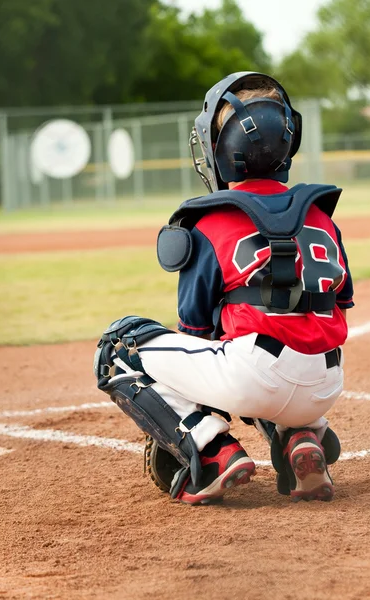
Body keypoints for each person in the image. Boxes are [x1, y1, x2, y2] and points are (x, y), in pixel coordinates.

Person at [94, 72, 354, 506]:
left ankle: (213, 451)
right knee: (266, 334)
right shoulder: (321, 216)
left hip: (256, 376)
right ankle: (302, 435)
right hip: (326, 382)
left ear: (222, 150)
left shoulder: (210, 222)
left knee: (118, 346)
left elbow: (194, 328)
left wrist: (208, 412)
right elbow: (339, 302)